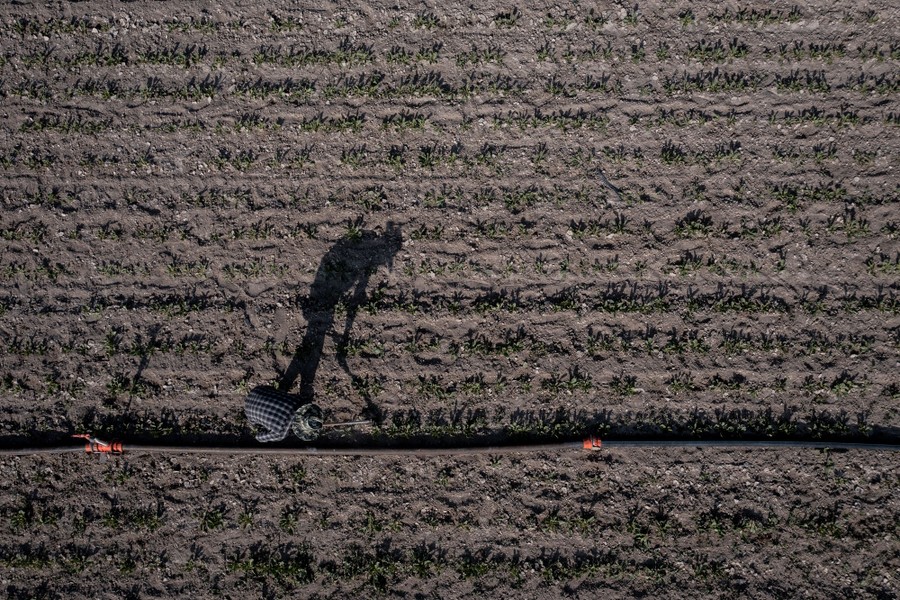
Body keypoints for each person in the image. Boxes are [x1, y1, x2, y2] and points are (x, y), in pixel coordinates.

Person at [245, 385, 323, 442]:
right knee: (258, 424)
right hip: (249, 411)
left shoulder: (301, 400)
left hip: (258, 390)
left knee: (278, 393)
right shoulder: (280, 433)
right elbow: (258, 437)